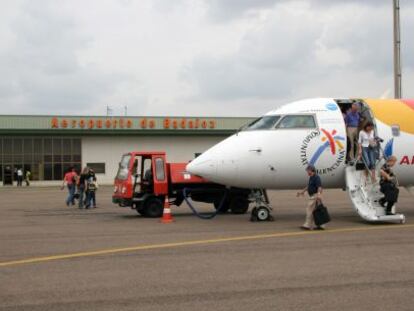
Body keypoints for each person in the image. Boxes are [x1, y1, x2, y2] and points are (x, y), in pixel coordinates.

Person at [297, 165, 324, 230]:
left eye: (308, 171)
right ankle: (321, 225)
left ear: (311, 170)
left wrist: (319, 195)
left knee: (309, 210)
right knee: (317, 211)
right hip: (313, 196)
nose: (307, 172)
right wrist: (302, 192)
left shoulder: (316, 177)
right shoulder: (311, 177)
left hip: (315, 196)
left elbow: (319, 187)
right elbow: (308, 186)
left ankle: (307, 225)